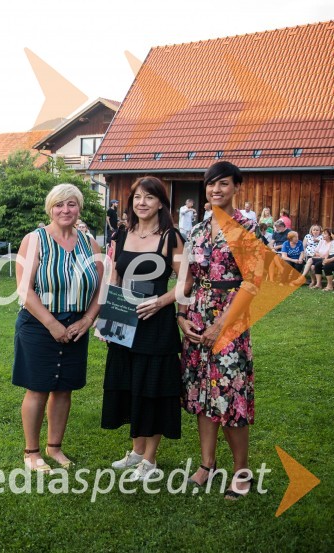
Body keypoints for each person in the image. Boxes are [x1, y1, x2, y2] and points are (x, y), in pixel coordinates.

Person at [178, 161, 260, 500]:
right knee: (201, 394)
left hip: (230, 319)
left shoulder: (245, 228)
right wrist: (181, 314)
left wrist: (221, 325)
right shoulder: (198, 229)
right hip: (196, 317)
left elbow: (253, 283)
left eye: (224, 184)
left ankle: (242, 471)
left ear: (236, 187)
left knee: (230, 393)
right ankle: (207, 464)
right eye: (211, 184)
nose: (216, 190)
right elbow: (188, 274)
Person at [13, 184, 103, 472]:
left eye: (72, 204)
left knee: (64, 390)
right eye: (59, 205)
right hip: (39, 324)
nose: (65, 210)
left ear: (79, 208)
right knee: (38, 389)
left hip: (76, 325)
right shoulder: (35, 240)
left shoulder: (90, 243)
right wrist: (52, 324)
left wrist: (87, 320)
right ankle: (31, 451)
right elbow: (24, 291)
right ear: (50, 209)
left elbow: (102, 289)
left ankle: (54, 448)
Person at [102, 177, 186, 482]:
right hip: (125, 322)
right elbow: (115, 276)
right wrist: (109, 317)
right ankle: (136, 452)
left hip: (156, 325)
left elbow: (186, 280)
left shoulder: (170, 237)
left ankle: (149, 461)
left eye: (149, 197)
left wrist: (160, 302)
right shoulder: (122, 234)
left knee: (152, 389)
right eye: (137, 197)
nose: (142, 202)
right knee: (131, 386)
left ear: (161, 203)